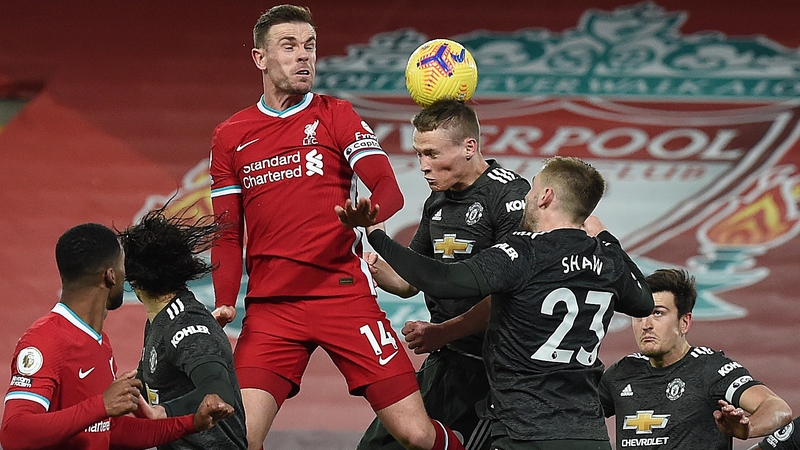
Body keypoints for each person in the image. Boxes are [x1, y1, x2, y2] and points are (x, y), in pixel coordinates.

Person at [209, 5, 464, 450]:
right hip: (272, 309)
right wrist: (226, 302)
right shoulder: (231, 135)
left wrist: (371, 213)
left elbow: (388, 187)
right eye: (289, 47)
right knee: (236, 441)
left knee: (417, 436)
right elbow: (228, 231)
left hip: (342, 294)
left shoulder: (335, 114)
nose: (303, 56)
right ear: (260, 58)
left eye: (309, 46)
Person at [342, 156, 655, 449]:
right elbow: (642, 301)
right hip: (588, 432)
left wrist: (378, 237)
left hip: (524, 430)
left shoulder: (525, 252)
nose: (528, 197)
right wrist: (607, 238)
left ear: (545, 196)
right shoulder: (605, 258)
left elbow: (444, 280)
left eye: (533, 188)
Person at [356, 99, 530, 450]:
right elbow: (407, 282)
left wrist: (442, 332)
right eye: (419, 154)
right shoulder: (438, 201)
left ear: (469, 146)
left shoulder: (509, 197)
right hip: (446, 361)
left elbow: (509, 296)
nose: (423, 165)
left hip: (492, 373)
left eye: (432, 154)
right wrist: (366, 260)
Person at [0, 223, 233, 450]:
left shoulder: (100, 343)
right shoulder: (44, 341)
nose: (127, 276)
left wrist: (191, 423)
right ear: (111, 275)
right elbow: (14, 433)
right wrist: (101, 405)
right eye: (123, 267)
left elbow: (112, 431)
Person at [599, 268, 792, 449]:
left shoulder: (712, 369)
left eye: (658, 313)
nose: (646, 324)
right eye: (639, 315)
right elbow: (575, 415)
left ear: (685, 322)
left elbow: (778, 408)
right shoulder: (620, 373)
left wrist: (748, 427)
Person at [118, 207, 248, 449]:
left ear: (134, 281)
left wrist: (163, 412)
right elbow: (153, 386)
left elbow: (219, 391)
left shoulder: (186, 324)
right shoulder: (159, 320)